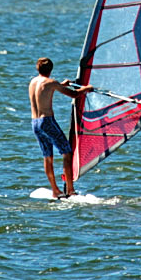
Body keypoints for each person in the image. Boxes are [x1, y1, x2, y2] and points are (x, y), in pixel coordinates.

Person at [28, 57, 92, 198]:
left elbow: (45, 91)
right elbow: (74, 94)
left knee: (48, 157)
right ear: (51, 70)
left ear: (37, 69)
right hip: (47, 122)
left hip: (35, 123)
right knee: (67, 153)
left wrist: (62, 84)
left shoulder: (33, 82)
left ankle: (55, 190)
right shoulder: (51, 83)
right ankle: (70, 190)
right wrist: (87, 88)